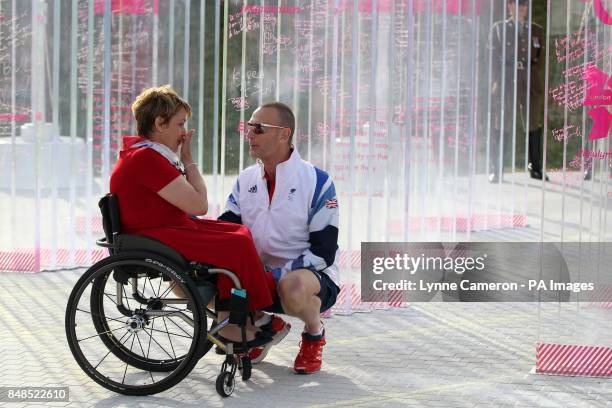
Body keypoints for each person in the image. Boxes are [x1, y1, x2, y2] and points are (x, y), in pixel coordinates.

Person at [109, 85, 276, 343]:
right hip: (155, 234)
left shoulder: (146, 155)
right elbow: (199, 205)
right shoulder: (146, 159)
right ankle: (239, 318)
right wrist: (188, 159)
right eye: (180, 124)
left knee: (240, 233)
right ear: (159, 123)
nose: (184, 132)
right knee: (237, 242)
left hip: (162, 228)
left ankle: (242, 313)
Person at [219, 102, 341, 374]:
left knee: (292, 287)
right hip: (257, 277)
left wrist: (274, 274)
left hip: (309, 277)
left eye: (258, 128)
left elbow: (324, 253)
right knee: (201, 279)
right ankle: (265, 327)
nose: (249, 135)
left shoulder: (318, 181)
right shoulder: (245, 179)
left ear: (284, 134)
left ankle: (313, 334)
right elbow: (226, 230)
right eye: (247, 128)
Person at [489, 0, 547, 182]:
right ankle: (496, 169)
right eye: (516, 5)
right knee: (502, 122)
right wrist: (496, 81)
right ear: (509, 7)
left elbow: (541, 57)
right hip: (507, 77)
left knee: (532, 123)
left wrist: (537, 78)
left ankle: (535, 167)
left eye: (523, 5)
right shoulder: (499, 29)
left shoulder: (536, 30)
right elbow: (492, 57)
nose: (520, 8)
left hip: (530, 79)